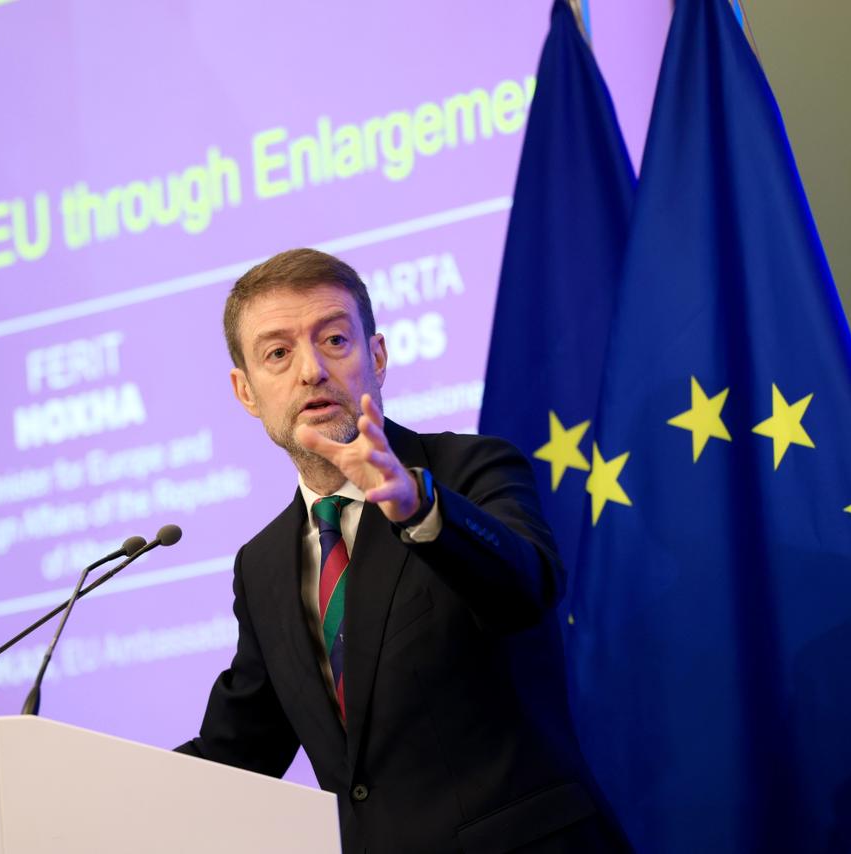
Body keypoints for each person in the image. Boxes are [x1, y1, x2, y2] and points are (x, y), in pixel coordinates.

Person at [175, 249, 628, 853]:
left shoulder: (468, 470)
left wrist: (420, 508)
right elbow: (237, 750)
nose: (311, 370)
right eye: (277, 353)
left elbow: (526, 588)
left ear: (378, 357)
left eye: (334, 339)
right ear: (246, 391)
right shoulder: (261, 566)